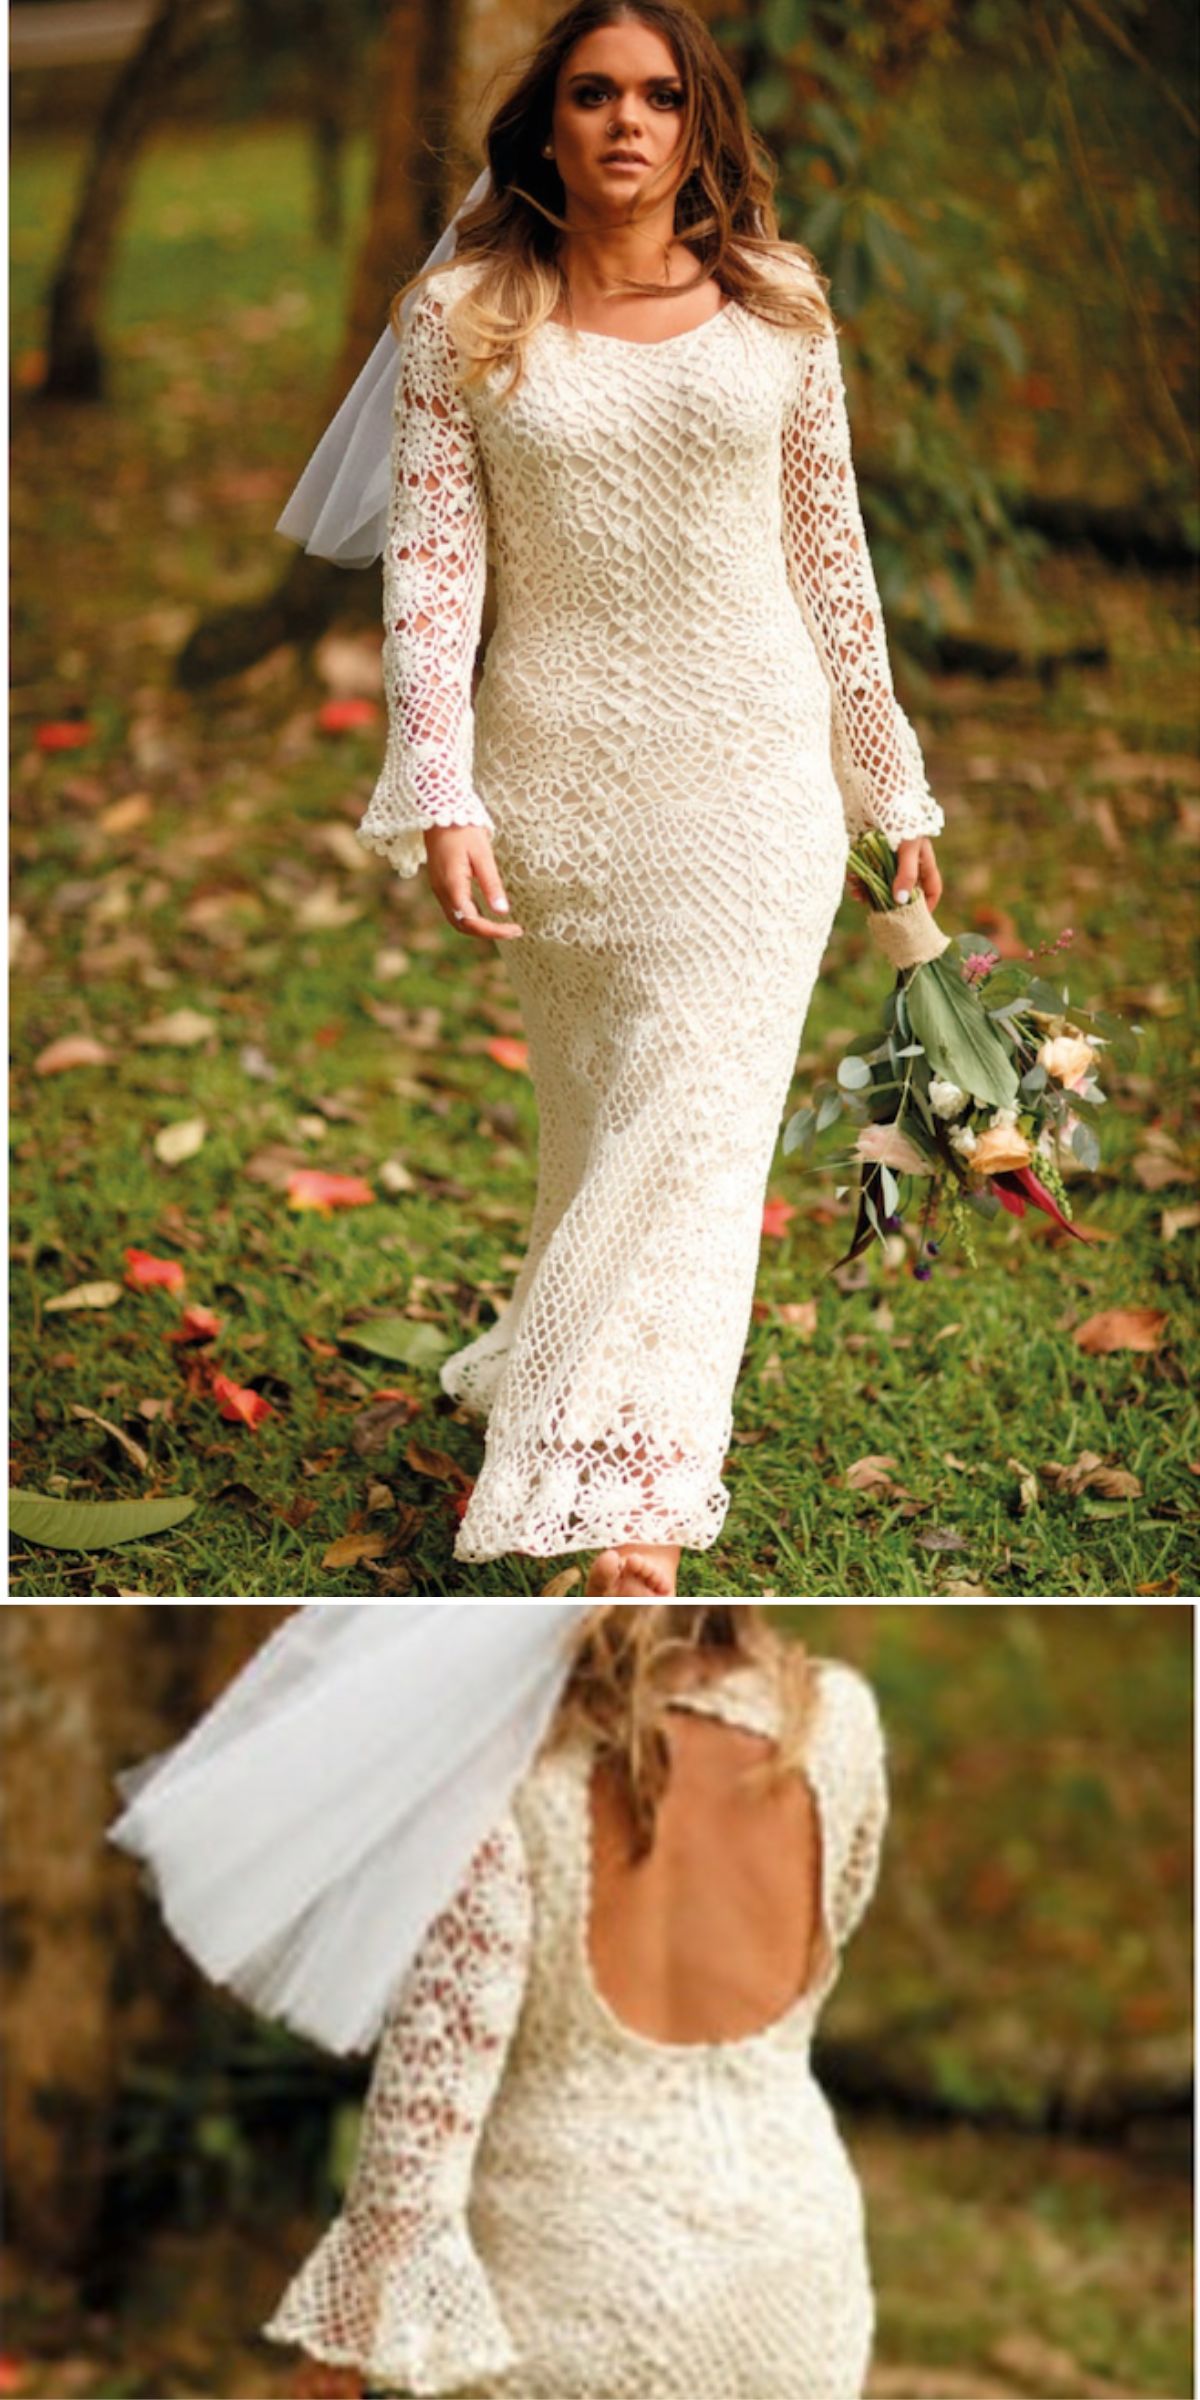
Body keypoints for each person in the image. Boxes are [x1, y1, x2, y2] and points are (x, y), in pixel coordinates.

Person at [341, 0, 946, 1598]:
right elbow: (432, 572)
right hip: (560, 785)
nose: (625, 121)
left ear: (699, 125)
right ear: (546, 126)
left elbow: (834, 560)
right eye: (593, 93)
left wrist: (886, 776)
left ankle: (625, 1496)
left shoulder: (782, 309)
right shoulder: (463, 320)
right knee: (606, 1114)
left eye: (659, 96)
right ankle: (562, 1347)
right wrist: (440, 780)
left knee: (696, 1120)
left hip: (758, 783)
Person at [263, 1604, 890, 2400]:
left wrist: (343, 2349)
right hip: (794, 2280)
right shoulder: (836, 1727)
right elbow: (830, 1921)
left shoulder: (501, 1766)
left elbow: (428, 2105)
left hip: (567, 2281)